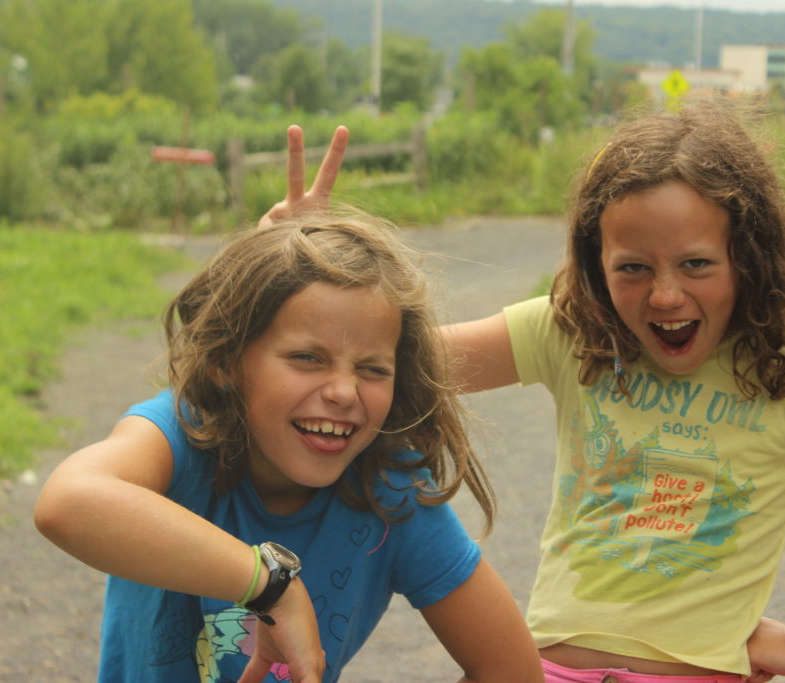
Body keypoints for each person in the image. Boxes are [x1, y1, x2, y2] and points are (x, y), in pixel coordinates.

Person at [260, 104, 785, 683]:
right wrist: (301, 267)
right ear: (594, 260)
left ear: (747, 255)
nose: (666, 293)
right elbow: (386, 367)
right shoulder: (573, 334)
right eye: (633, 267)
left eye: (697, 262)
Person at [34, 208, 545, 683]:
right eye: (307, 357)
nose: (344, 391)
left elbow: (513, 670)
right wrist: (272, 587)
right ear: (227, 363)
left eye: (373, 369)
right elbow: (67, 503)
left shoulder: (391, 489)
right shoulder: (181, 432)